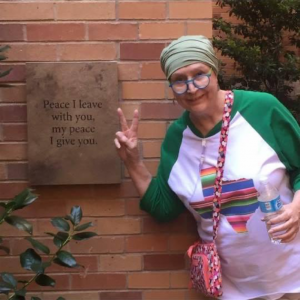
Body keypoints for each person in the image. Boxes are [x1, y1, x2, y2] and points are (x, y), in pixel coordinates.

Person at [114, 35, 300, 300]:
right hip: (230, 288)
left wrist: (296, 209)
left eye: (199, 74)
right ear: (171, 87)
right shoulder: (177, 139)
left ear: (215, 73)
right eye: (179, 80)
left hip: (293, 277)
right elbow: (164, 209)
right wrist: (133, 162)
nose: (191, 88)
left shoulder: (262, 109)